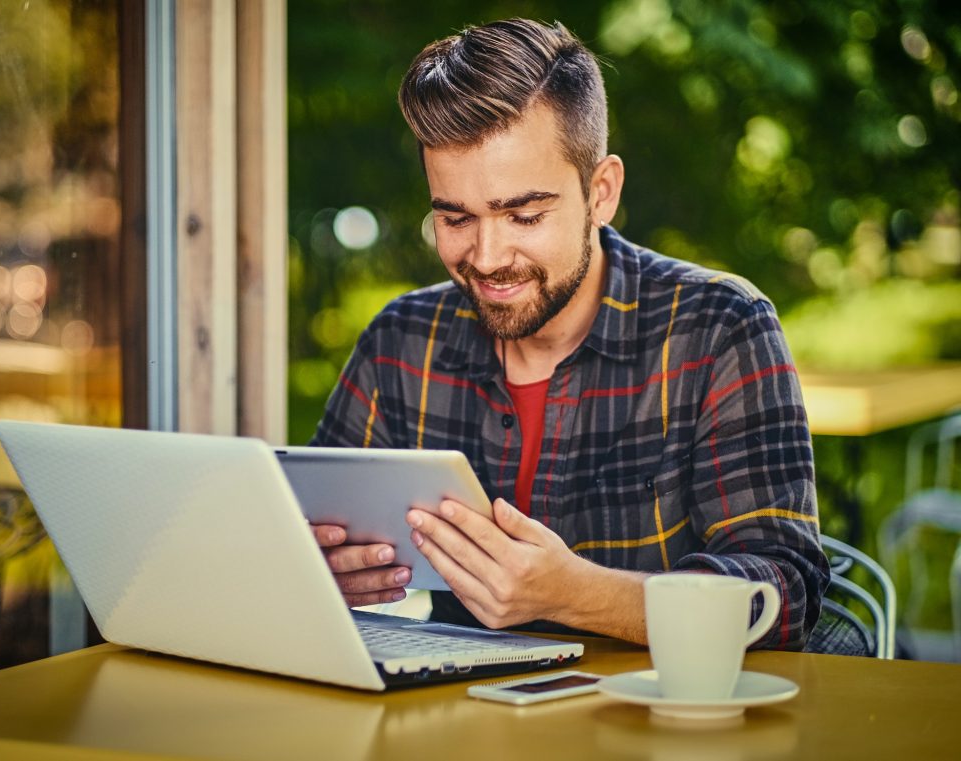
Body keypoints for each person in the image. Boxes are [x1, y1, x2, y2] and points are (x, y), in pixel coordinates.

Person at [309, 18, 828, 649]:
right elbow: (305, 537)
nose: (489, 256)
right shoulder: (400, 342)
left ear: (601, 192)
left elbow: (783, 596)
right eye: (455, 217)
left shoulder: (719, 328)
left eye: (524, 215)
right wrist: (322, 571)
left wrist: (575, 595)